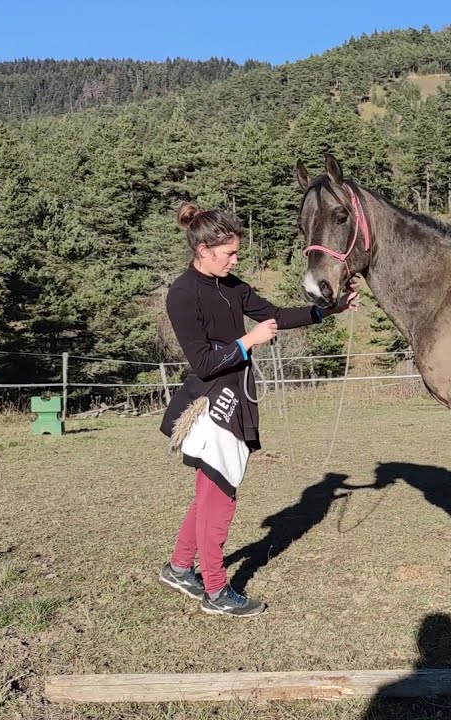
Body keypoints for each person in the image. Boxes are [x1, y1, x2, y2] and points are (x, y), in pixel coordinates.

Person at [157, 201, 357, 617]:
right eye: (228, 253)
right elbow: (203, 363)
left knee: (207, 495)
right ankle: (214, 590)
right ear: (203, 249)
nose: (234, 260)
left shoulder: (231, 286)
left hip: (237, 399)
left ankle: (179, 567)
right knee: (220, 498)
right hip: (210, 406)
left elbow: (277, 315)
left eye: (236, 253)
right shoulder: (182, 294)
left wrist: (327, 310)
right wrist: (248, 342)